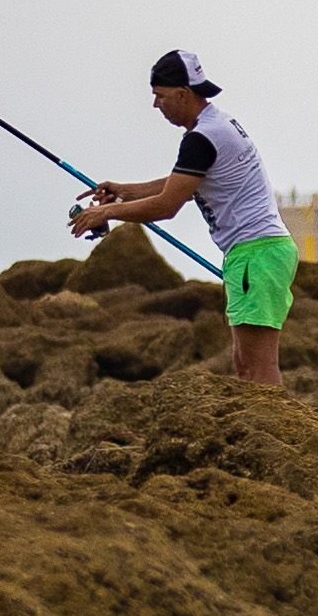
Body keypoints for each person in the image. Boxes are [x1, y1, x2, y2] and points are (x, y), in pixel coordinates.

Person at [69, 49, 297, 385]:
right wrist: (123, 192)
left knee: (257, 368)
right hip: (257, 254)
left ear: (182, 94)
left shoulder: (202, 138)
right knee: (245, 365)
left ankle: (274, 436)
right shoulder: (214, 126)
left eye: (159, 97)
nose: (156, 106)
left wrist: (106, 212)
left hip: (257, 255)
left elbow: (167, 206)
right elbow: (180, 184)